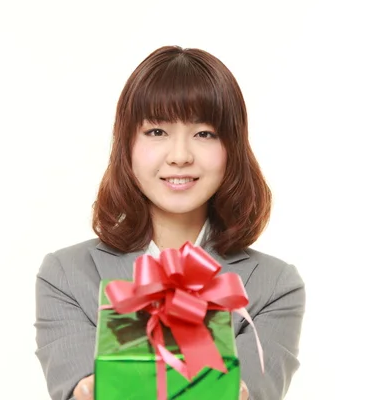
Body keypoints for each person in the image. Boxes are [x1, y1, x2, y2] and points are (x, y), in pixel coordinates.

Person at [34, 45, 305, 400]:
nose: (179, 156)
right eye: (156, 131)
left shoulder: (275, 286)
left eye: (204, 133)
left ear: (232, 148)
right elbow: (79, 391)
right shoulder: (67, 274)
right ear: (127, 144)